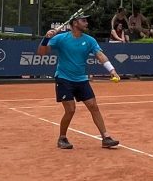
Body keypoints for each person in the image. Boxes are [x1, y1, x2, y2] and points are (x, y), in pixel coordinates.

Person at [38, 12, 120, 150]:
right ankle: (62, 138)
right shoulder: (60, 38)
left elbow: (100, 55)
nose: (86, 23)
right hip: (64, 78)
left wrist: (112, 70)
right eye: (84, 21)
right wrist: (46, 38)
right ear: (75, 23)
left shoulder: (89, 40)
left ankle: (105, 137)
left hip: (81, 79)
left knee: (93, 106)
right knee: (70, 109)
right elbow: (41, 53)